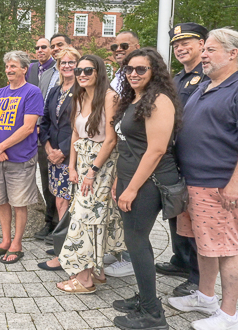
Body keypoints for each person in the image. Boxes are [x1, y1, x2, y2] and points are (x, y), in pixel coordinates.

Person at [169, 28, 238, 330]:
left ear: (233, 53)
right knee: (204, 245)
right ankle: (205, 296)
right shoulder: (206, 85)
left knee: (225, 249)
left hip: (219, 185)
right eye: (205, 49)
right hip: (192, 183)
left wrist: (235, 184)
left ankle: (229, 314)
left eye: (211, 50)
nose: (204, 55)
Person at [111, 48, 181, 329]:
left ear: (155, 72)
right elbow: (129, 146)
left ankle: (152, 314)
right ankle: (145, 297)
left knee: (137, 242)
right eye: (129, 69)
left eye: (141, 69)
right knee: (135, 241)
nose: (133, 74)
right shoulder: (135, 97)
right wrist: (121, 180)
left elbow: (156, 150)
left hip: (148, 183)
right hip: (131, 178)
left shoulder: (160, 100)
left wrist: (131, 189)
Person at [49, 55, 123, 295]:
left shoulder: (111, 97)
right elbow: (74, 135)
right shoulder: (79, 96)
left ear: (98, 72)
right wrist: (72, 166)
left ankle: (84, 279)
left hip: (101, 165)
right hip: (82, 163)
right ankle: (96, 272)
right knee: (86, 215)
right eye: (79, 70)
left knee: (87, 218)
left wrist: (92, 171)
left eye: (87, 70)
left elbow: (111, 140)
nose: (81, 74)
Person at [157, 22, 209, 297]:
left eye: (186, 42)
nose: (180, 48)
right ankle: (180, 260)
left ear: (203, 44)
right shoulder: (177, 79)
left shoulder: (210, 76)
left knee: (197, 221)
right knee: (177, 209)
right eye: (176, 45)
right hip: (175, 157)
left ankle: (198, 276)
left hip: (197, 158)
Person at [0, 51, 43, 264]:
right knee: (1, 201)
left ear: (24, 69)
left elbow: (28, 127)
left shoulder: (32, 92)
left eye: (14, 66)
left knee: (19, 203)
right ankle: (5, 240)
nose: (9, 70)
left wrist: (1, 147)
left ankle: (17, 243)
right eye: (7, 66)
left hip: (20, 158)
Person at [37, 47, 81, 261]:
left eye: (71, 62)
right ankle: (61, 245)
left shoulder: (83, 90)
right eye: (63, 63)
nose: (66, 66)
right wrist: (47, 149)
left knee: (69, 202)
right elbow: (44, 120)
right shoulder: (55, 90)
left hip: (71, 155)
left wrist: (62, 151)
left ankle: (67, 249)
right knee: (59, 200)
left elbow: (80, 126)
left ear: (78, 65)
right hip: (52, 154)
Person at [103, 31, 140, 278]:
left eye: (124, 45)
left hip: (132, 147)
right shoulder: (119, 74)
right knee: (116, 203)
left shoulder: (140, 72)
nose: (118, 48)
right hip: (116, 144)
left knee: (129, 204)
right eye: (114, 45)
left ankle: (130, 258)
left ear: (137, 46)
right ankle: (119, 250)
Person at [27, 37, 60, 242]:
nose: (40, 50)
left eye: (44, 47)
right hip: (34, 131)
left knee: (59, 180)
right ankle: (49, 220)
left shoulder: (60, 69)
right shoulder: (31, 69)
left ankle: (58, 222)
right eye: (37, 48)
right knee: (45, 177)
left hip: (55, 130)